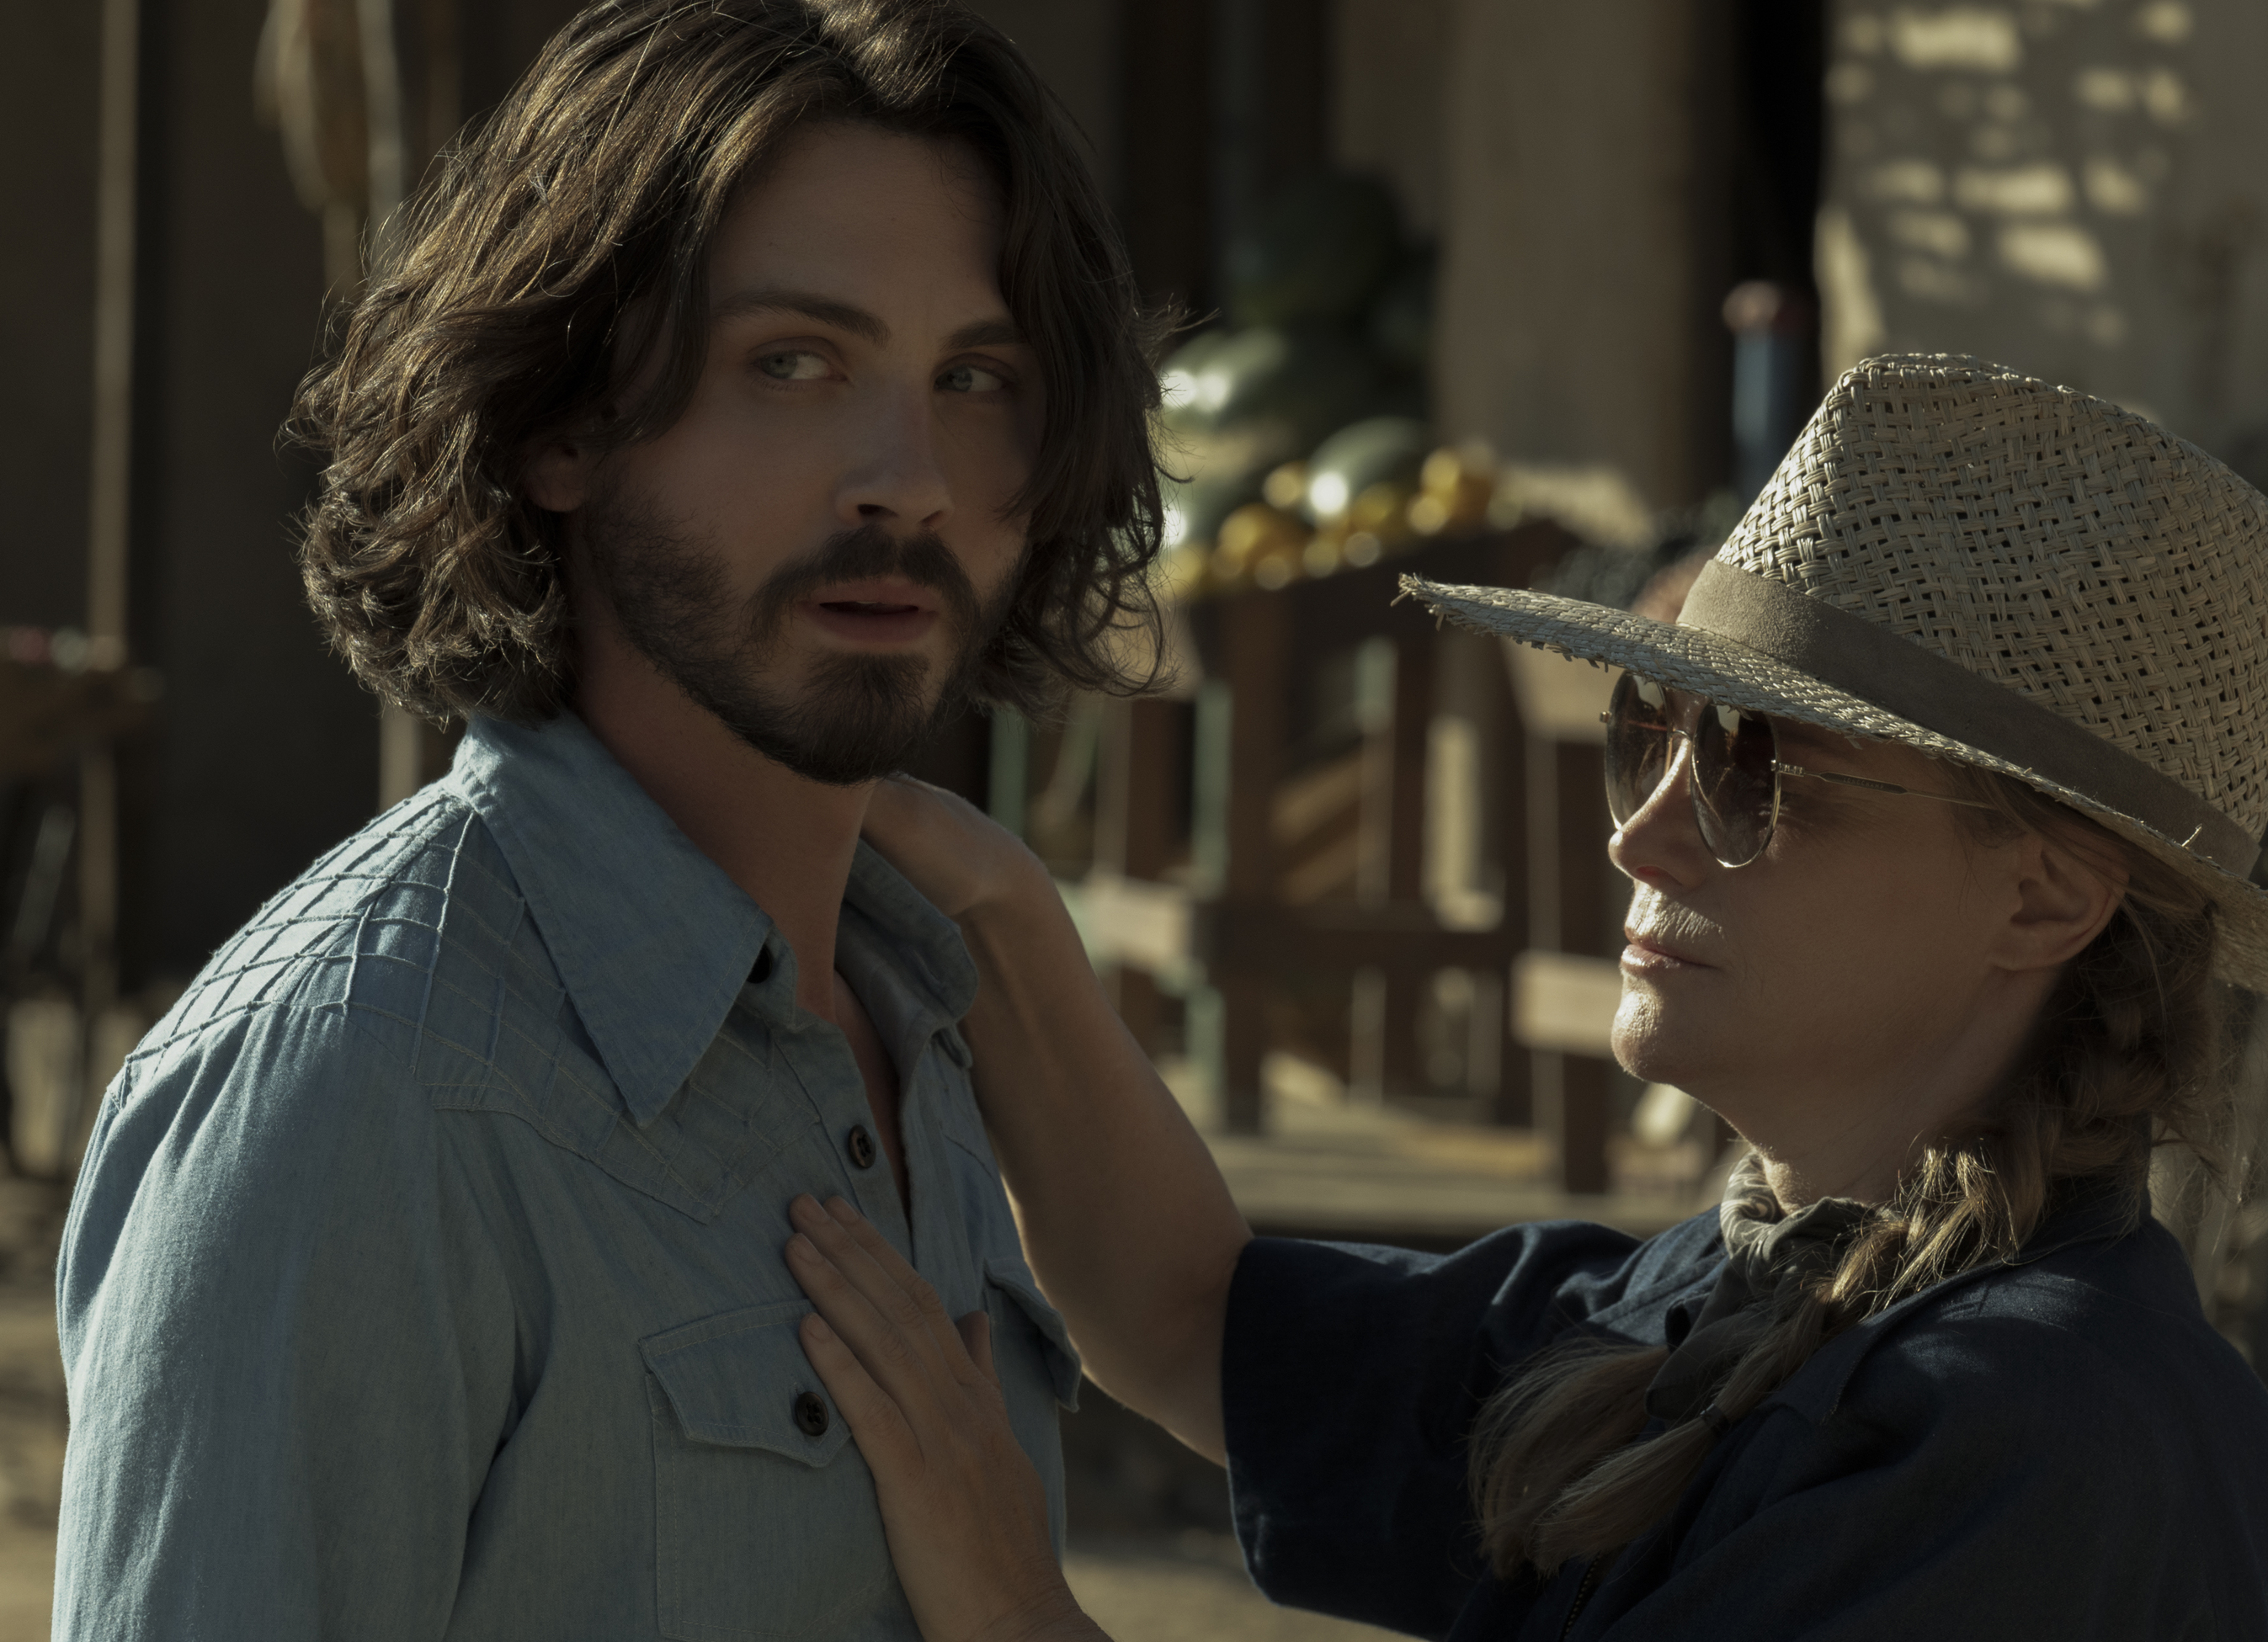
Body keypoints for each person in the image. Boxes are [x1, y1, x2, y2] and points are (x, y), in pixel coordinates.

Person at [781, 354, 2268, 1640]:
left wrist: (1007, 1601)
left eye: (1759, 775)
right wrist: (992, 907)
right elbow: (1192, 1320)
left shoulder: (2036, 1441)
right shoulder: (1734, 1296)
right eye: (1650, 739)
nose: (1639, 837)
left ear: (2042, 900)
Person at [50, 0, 1168, 1634]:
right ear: (564, 423)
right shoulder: (358, 1091)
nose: (910, 480)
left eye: (976, 378)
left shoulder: (916, 1012)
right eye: (795, 362)